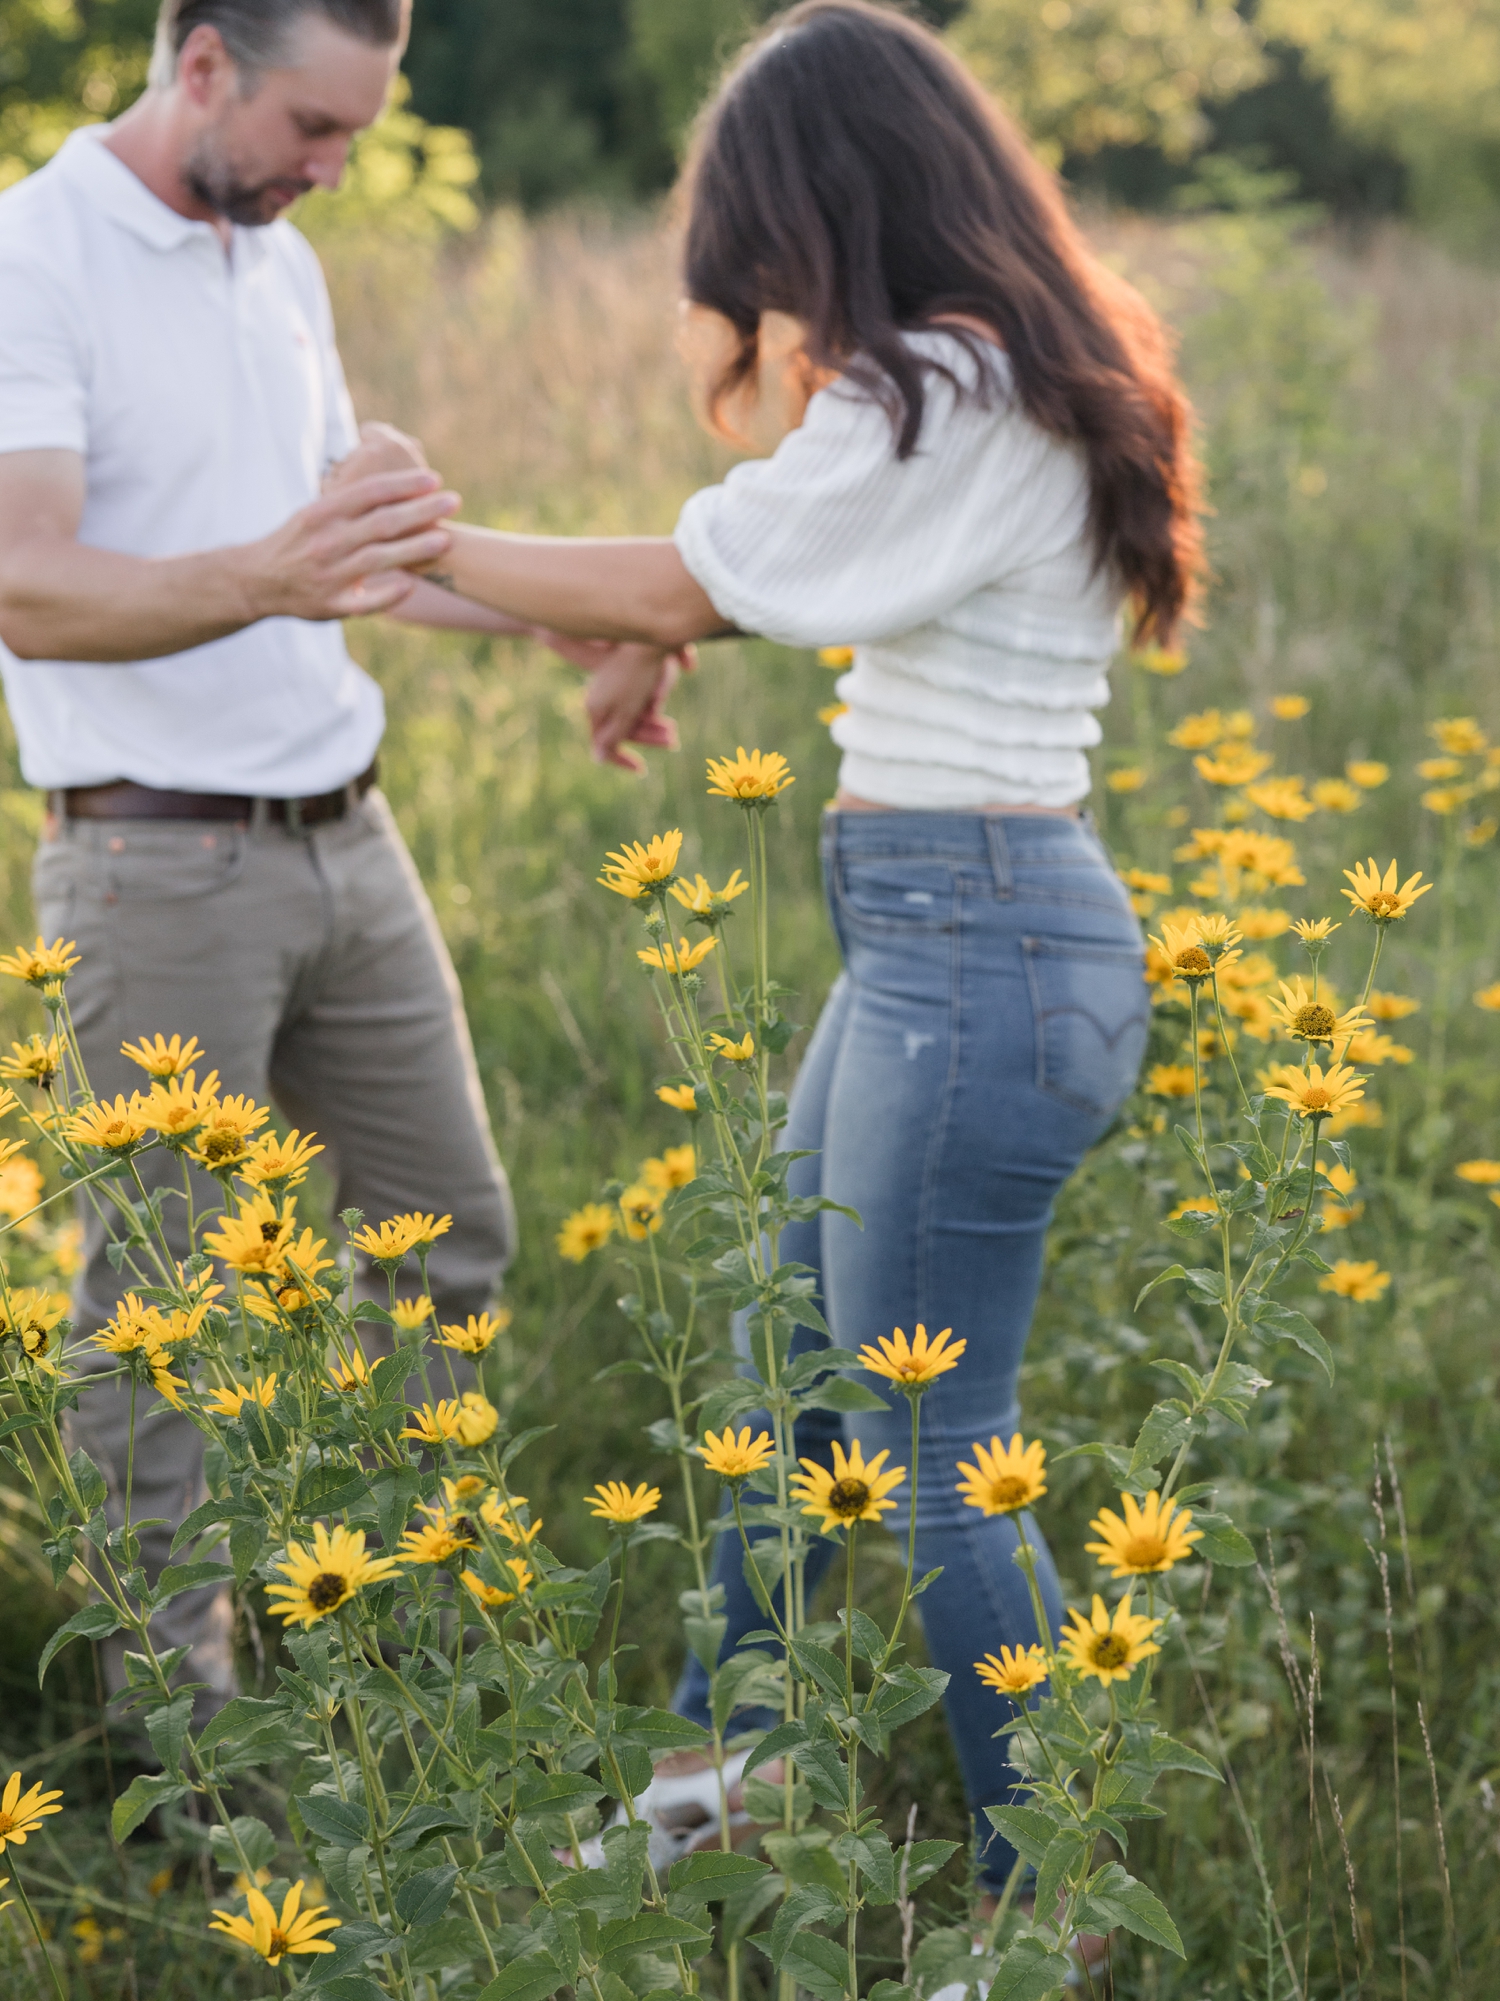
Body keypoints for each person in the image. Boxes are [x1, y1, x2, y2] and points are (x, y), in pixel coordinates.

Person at [352, 0, 1202, 1922]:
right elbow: (732, 584)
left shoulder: (956, 386)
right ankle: (715, 1791)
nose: (763, 309)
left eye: (760, 260)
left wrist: (445, 541)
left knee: (932, 1450)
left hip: (980, 947)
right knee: (785, 1381)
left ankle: (1038, 1912)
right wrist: (456, 586)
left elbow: (684, 575)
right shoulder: (990, 384)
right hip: (941, 940)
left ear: (828, 212)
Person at [0, 0, 680, 1719]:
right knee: (159, 1318)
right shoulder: (34, 253)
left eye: (361, 136)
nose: (334, 169)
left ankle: (399, 1680)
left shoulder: (274, 259)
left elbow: (354, 557)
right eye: (317, 129)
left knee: (444, 1238)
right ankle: (192, 1754)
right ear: (204, 63)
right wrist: (271, 574)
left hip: (346, 842)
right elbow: (28, 585)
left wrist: (572, 623)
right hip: (150, 873)